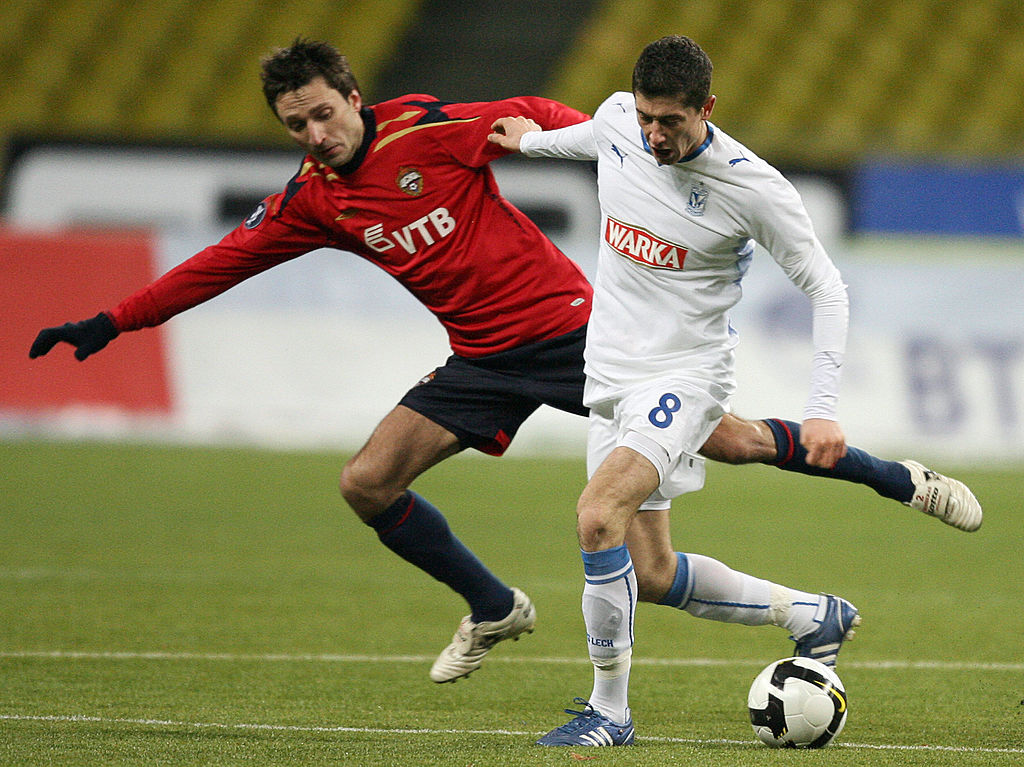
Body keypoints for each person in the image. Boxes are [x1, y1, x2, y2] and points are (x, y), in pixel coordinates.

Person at [30, 39, 980, 696]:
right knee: (365, 482)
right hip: (480, 360)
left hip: (574, 333)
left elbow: (525, 116)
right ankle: (493, 605)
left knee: (728, 442)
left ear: (354, 97)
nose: (313, 134)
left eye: (322, 112)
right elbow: (216, 265)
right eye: (295, 124)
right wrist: (110, 322)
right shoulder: (313, 201)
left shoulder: (427, 132)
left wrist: (625, 154)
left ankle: (892, 476)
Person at [488, 34, 981, 747]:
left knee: (599, 516)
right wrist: (533, 143)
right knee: (651, 571)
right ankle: (815, 609)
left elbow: (828, 289)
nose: (655, 135)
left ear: (706, 110)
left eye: (673, 123)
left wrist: (823, 406)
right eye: (648, 119)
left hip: (686, 374)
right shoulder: (622, 119)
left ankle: (610, 714)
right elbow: (594, 138)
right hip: (611, 373)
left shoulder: (754, 187)